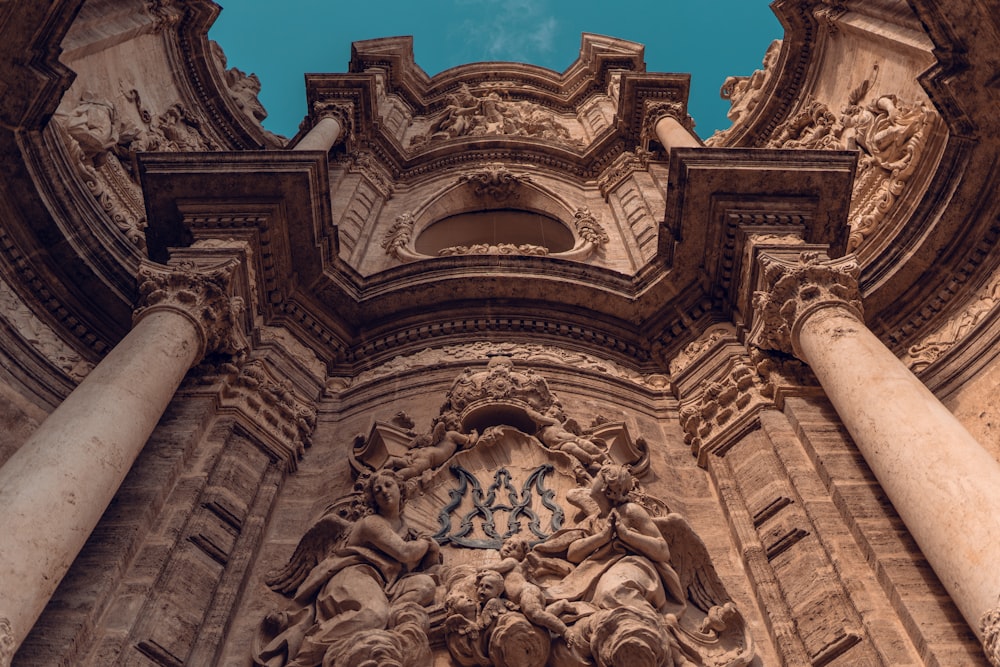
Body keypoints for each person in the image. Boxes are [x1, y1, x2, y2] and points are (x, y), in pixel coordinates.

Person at [256, 470, 439, 667]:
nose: (384, 491)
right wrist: (425, 543)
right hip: (353, 575)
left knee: (426, 586)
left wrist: (433, 551)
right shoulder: (371, 523)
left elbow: (430, 569)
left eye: (389, 485)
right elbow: (405, 553)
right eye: (378, 490)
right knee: (373, 613)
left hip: (385, 583)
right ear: (374, 500)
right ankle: (304, 655)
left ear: (400, 489)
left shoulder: (405, 529)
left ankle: (388, 623)